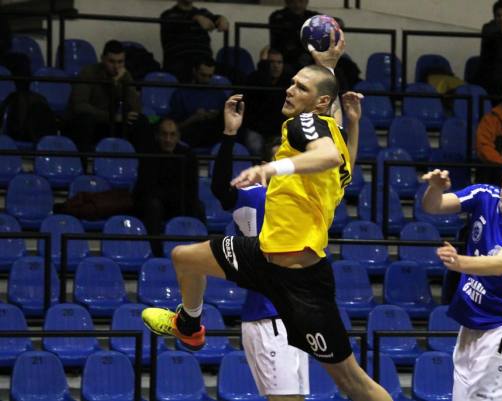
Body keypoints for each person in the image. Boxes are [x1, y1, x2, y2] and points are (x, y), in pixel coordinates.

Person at [142, 31, 393, 401]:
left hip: (301, 281)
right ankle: (189, 325)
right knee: (184, 257)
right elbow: (342, 159)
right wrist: (344, 105)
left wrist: (271, 168)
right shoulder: (331, 137)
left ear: (320, 103)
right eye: (291, 83)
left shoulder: (302, 125)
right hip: (262, 255)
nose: (289, 89)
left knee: (353, 383)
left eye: (300, 87)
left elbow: (327, 154)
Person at [422, 151, 502, 401]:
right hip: (470, 324)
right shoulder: (484, 195)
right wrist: (435, 188)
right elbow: (432, 206)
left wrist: (459, 262)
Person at [212, 122, 309, 401]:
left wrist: (351, 123)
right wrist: (229, 135)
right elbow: (221, 189)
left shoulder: (304, 200)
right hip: (268, 317)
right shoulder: (254, 195)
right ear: (265, 167)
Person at [133, 117, 204, 256]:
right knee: (153, 206)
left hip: (177, 201)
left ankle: (201, 252)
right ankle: (157, 254)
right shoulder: (148, 154)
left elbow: (191, 187)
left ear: (178, 137)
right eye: (164, 134)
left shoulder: (188, 155)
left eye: (172, 135)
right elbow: (146, 188)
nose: (168, 139)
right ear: (158, 136)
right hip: (155, 201)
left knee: (198, 207)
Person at [65, 40, 148, 152]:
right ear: (103, 59)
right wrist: (112, 117)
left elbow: (136, 108)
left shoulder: (124, 75)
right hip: (94, 122)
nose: (116, 66)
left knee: (140, 120)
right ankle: (83, 161)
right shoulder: (88, 73)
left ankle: (140, 162)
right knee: (85, 120)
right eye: (111, 61)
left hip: (111, 123)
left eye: (120, 62)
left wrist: (118, 83)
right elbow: (80, 106)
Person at [160, 0, 229, 83]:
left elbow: (216, 18)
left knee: (235, 75)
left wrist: (222, 19)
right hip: (181, 61)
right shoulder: (168, 14)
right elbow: (175, 20)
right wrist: (196, 18)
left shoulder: (202, 12)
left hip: (205, 61)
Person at [242, 47, 293, 156]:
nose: (276, 66)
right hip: (256, 128)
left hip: (278, 129)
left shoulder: (288, 81)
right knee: (255, 148)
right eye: (271, 62)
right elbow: (264, 96)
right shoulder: (254, 79)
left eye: (279, 62)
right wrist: (263, 67)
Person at [169, 56, 226, 149]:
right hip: (190, 135)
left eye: (210, 76)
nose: (206, 80)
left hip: (214, 134)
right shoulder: (181, 94)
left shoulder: (218, 93)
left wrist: (218, 115)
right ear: (194, 71)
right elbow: (173, 127)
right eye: (203, 75)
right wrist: (193, 118)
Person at [268, 0, 318, 69]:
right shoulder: (278, 17)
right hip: (285, 62)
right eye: (293, 1)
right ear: (287, 2)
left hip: (308, 62)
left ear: (306, 2)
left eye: (301, 1)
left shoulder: (312, 16)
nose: (297, 5)